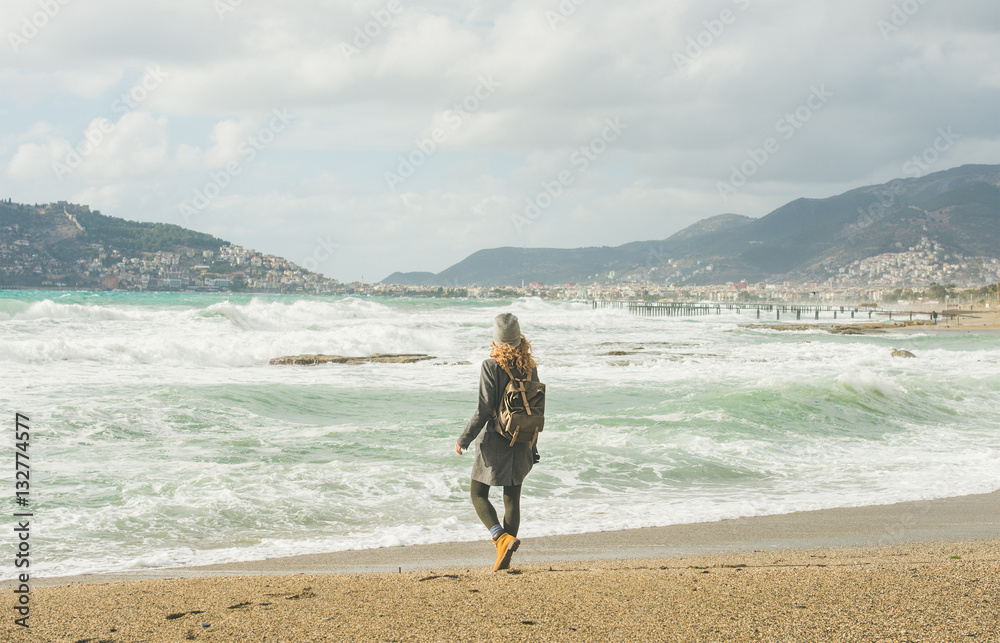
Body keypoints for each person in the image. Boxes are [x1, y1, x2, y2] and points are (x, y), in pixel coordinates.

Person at [455, 312, 539, 572]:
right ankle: (505, 556)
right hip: (524, 438)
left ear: (497, 339)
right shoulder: (530, 366)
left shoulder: (491, 366)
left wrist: (464, 439)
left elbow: (483, 410)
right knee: (511, 498)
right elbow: (533, 408)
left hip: (495, 439)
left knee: (477, 493)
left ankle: (500, 538)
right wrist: (533, 446)